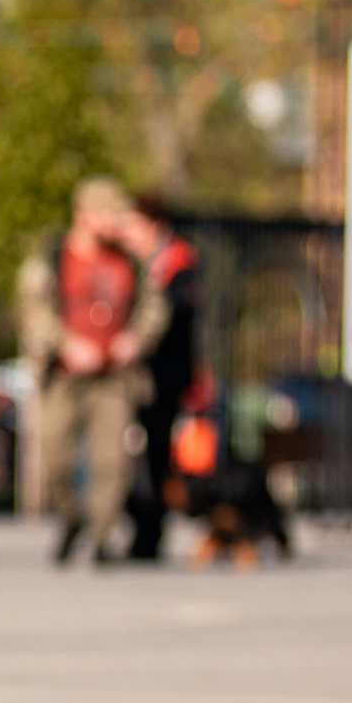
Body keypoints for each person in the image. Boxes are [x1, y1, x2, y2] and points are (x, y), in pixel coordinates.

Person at [16, 178, 167, 566]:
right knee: (53, 458)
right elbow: (32, 311)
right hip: (64, 375)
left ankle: (102, 537)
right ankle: (72, 517)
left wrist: (134, 338)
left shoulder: (129, 260)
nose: (116, 224)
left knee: (112, 461)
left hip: (114, 378)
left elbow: (155, 307)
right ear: (83, 215)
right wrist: (66, 343)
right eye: (108, 215)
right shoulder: (52, 257)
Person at [117, 196, 204, 562]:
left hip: (163, 376)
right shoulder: (131, 263)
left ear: (155, 225)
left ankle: (150, 533)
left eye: (132, 225)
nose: (126, 233)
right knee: (122, 454)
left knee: (155, 455)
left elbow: (179, 318)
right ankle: (136, 525)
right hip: (127, 374)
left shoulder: (179, 261)